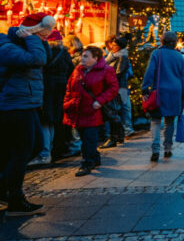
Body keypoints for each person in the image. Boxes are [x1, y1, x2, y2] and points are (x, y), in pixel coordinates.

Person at [0, 13, 55, 215]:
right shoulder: (6, 46)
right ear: (32, 31)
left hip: (26, 103)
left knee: (36, 147)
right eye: (43, 34)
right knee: (21, 151)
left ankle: (4, 188)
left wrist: (37, 38)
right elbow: (38, 59)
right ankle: (15, 199)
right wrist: (32, 35)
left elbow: (46, 58)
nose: (43, 39)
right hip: (13, 105)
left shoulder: (25, 43)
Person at [63, 45, 119, 177]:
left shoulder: (106, 70)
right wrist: (67, 102)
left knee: (89, 139)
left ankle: (86, 163)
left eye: (86, 56)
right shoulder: (78, 70)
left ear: (95, 58)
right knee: (83, 137)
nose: (82, 58)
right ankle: (95, 157)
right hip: (77, 110)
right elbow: (69, 87)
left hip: (93, 111)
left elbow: (113, 88)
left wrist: (100, 101)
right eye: (83, 55)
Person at [29, 30, 74, 166]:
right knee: (53, 121)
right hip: (60, 91)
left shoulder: (45, 53)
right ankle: (50, 150)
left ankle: (44, 153)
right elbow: (71, 72)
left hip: (47, 89)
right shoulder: (65, 54)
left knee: (45, 121)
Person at [142, 32, 184, 162]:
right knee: (170, 121)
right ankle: (168, 148)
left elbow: (150, 72)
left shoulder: (157, 53)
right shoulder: (179, 56)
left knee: (155, 121)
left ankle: (155, 150)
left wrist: (145, 88)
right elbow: (183, 77)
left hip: (159, 92)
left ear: (162, 41)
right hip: (175, 92)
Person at [103, 35, 132, 147]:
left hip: (119, 87)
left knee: (113, 111)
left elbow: (118, 73)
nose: (112, 47)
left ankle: (114, 137)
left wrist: (106, 77)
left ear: (120, 47)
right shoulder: (113, 56)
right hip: (115, 86)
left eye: (115, 45)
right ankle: (119, 135)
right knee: (114, 111)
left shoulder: (122, 57)